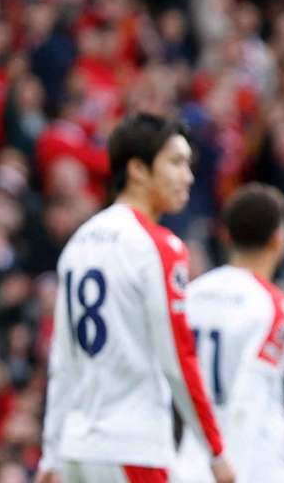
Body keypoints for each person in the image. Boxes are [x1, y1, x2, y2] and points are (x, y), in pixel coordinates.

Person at [36, 113, 234, 483]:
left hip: (76, 448)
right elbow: (178, 356)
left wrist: (51, 453)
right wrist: (215, 450)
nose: (187, 177)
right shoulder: (160, 247)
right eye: (176, 163)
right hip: (133, 446)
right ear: (138, 169)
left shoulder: (78, 243)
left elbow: (62, 358)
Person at [174, 183, 284, 483]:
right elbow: (245, 398)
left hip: (189, 463)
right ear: (279, 239)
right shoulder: (274, 307)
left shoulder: (190, 296)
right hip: (244, 466)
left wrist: (282, 430)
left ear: (225, 235)